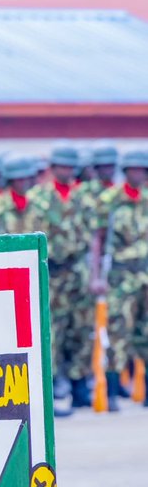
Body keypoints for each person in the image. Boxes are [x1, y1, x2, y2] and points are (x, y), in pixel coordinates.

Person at [28, 145, 94, 409]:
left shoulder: (83, 197)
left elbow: (94, 237)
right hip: (52, 271)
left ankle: (80, 387)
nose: (67, 171)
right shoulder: (39, 197)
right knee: (51, 330)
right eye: (62, 167)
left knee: (80, 329)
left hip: (77, 270)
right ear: (53, 168)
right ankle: (52, 388)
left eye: (70, 167)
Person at [89, 147, 148, 410]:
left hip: (145, 271)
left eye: (143, 170)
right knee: (117, 332)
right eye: (134, 170)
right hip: (121, 274)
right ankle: (111, 393)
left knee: (145, 333)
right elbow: (97, 239)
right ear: (126, 172)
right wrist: (96, 276)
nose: (139, 175)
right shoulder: (111, 199)